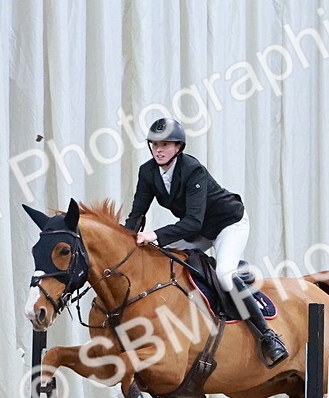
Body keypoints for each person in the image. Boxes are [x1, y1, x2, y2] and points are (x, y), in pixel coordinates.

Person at [123, 118, 288, 367]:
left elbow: (193, 223)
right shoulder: (147, 172)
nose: (159, 149)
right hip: (198, 228)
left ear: (178, 147)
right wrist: (125, 244)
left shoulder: (192, 170)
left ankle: (268, 336)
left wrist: (154, 234)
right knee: (167, 261)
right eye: (155, 144)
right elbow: (137, 214)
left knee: (223, 274)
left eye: (166, 144)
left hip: (228, 224)